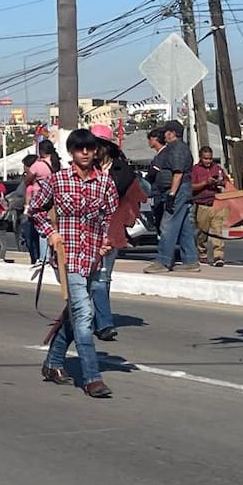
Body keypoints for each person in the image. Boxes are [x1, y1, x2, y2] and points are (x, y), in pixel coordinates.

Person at [28, 128, 119, 399]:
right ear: (71, 152)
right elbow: (35, 210)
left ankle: (54, 363)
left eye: (90, 149)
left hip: (93, 256)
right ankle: (92, 377)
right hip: (67, 258)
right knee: (84, 314)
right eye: (80, 149)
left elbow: (111, 218)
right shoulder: (57, 181)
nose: (86, 153)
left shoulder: (105, 183)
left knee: (76, 311)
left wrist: (107, 240)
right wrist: (50, 232)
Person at [89, 124, 142, 343]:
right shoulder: (81, 168)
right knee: (93, 278)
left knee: (102, 277)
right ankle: (97, 320)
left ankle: (103, 323)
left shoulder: (122, 170)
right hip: (85, 231)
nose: (91, 151)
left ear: (107, 148)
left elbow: (113, 192)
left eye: (96, 146)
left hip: (111, 229)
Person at [145, 120, 199, 273]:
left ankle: (163, 261)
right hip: (176, 190)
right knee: (184, 227)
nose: (164, 135)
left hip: (178, 190)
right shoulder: (172, 148)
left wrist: (172, 194)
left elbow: (178, 173)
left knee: (168, 224)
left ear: (173, 133)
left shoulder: (178, 149)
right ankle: (190, 259)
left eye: (166, 132)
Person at [191, 146, 230, 267]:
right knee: (203, 232)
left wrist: (219, 182)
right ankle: (202, 252)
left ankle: (218, 256)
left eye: (210, 158)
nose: (208, 161)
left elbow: (226, 181)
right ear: (201, 158)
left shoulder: (217, 168)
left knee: (217, 231)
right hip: (202, 204)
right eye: (206, 159)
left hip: (216, 203)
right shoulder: (195, 170)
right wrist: (205, 183)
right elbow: (191, 186)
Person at [25, 139, 59, 263]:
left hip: (40, 198)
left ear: (42, 151)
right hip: (54, 200)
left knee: (42, 230)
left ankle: (42, 258)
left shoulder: (38, 165)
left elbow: (28, 178)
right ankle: (52, 256)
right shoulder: (57, 162)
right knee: (54, 228)